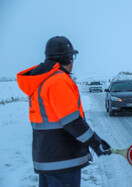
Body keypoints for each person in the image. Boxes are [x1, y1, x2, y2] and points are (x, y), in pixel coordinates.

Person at [17, 36, 111, 187]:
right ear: (68, 58)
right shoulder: (59, 81)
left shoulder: (41, 80)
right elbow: (71, 120)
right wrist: (95, 142)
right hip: (63, 160)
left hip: (47, 159)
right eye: (72, 57)